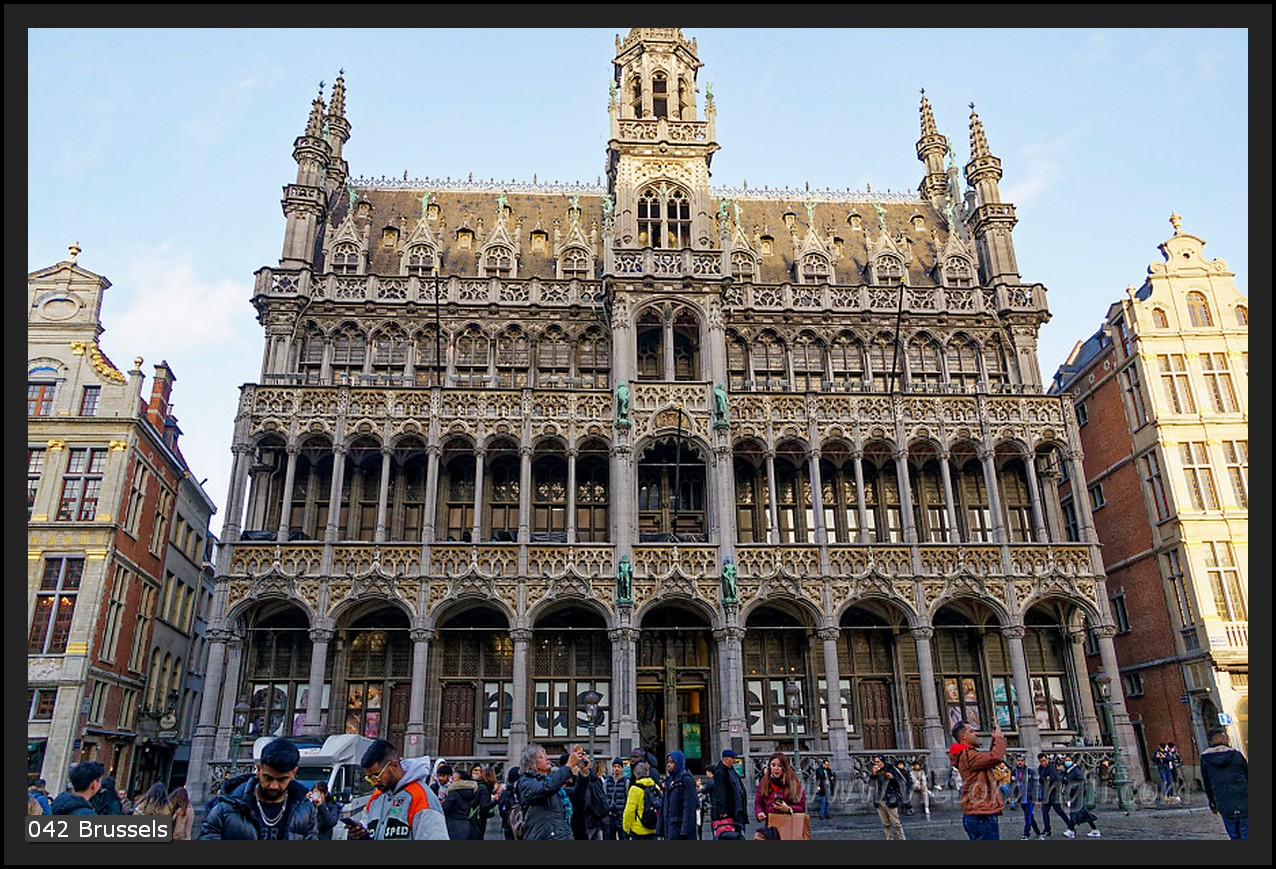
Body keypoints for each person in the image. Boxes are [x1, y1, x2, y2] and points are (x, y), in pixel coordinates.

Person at [199, 737, 319, 839]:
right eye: (268, 777)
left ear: (294, 773)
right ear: (259, 769)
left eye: (282, 779)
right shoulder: (227, 807)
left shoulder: (305, 810)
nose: (273, 786)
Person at [345, 739, 447, 840]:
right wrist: (360, 835)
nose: (374, 783)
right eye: (369, 778)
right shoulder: (376, 797)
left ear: (394, 765)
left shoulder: (421, 797)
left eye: (377, 776)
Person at [949, 720, 1006, 840]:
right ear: (963, 736)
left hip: (977, 813)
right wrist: (999, 739)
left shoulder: (966, 754)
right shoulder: (968, 755)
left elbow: (988, 760)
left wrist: (994, 741)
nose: (976, 734)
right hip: (981, 813)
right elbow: (995, 757)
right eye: (971, 731)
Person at [516, 743, 584, 840]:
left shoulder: (555, 786)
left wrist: (584, 773)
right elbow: (547, 788)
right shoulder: (526, 783)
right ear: (531, 764)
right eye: (541, 757)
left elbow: (577, 794)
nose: (548, 758)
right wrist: (569, 765)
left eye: (546, 755)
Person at [1200, 728, 1248, 840]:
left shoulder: (1205, 759)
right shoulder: (1235, 755)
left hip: (1223, 800)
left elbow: (1207, 784)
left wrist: (1212, 802)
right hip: (1244, 798)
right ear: (1221, 740)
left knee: (1234, 835)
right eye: (1226, 738)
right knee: (1246, 833)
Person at [754, 752, 806, 831]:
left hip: (789, 826)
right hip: (771, 826)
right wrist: (760, 812)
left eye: (780, 765)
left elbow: (801, 806)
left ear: (784, 767)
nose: (776, 768)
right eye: (773, 765)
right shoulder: (764, 782)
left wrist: (788, 809)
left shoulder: (793, 783)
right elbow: (758, 803)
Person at [658, 750, 697, 840]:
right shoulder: (669, 781)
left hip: (679, 829)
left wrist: (685, 831)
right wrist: (660, 827)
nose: (668, 765)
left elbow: (688, 807)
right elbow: (663, 806)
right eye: (668, 762)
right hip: (669, 827)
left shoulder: (686, 780)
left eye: (672, 762)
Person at [708, 749, 747, 839]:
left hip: (738, 809)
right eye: (732, 758)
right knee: (730, 834)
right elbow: (720, 792)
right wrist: (723, 810)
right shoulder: (720, 772)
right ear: (725, 759)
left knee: (740, 833)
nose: (734, 760)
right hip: (730, 810)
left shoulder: (731, 770)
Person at [1061, 754, 1100, 838]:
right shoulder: (1068, 771)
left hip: (1078, 793)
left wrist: (1072, 787)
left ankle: (1071, 830)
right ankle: (1094, 830)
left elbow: (1081, 781)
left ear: (1072, 761)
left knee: (1074, 812)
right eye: (1066, 761)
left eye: (1068, 760)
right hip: (1073, 794)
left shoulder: (1075, 770)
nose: (1067, 762)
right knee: (1083, 813)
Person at [869, 755, 906, 841]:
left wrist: (892, 778)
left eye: (878, 762)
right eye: (875, 762)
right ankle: (889, 838)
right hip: (879, 800)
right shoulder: (876, 772)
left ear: (882, 762)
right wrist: (873, 775)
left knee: (896, 823)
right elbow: (871, 784)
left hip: (890, 799)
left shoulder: (891, 770)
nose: (876, 764)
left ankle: (902, 838)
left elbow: (899, 783)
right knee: (885, 823)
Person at [622, 761, 660, 840]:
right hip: (653, 828)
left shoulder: (635, 789)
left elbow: (629, 811)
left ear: (636, 774)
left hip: (638, 830)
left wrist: (626, 828)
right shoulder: (655, 787)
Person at [443, 767, 483, 840]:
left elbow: (445, 809)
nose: (450, 781)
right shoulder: (471, 791)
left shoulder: (453, 792)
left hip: (453, 826)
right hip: (465, 825)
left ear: (460, 781)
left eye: (453, 779)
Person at [1037, 753, 1070, 838]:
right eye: (1041, 762)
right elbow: (1042, 780)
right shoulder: (1040, 768)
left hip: (1054, 792)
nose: (1043, 763)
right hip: (1046, 792)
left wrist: (1045, 780)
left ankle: (1070, 825)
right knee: (1044, 811)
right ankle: (1047, 829)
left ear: (1047, 759)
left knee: (1058, 810)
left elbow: (1053, 779)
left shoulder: (1051, 767)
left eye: (1044, 761)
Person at [1011, 754, 1041, 840]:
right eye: (1018, 760)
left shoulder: (1030, 771)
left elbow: (1036, 785)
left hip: (1030, 797)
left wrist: (1038, 798)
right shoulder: (1014, 772)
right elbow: (1012, 785)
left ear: (1025, 761)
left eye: (1022, 760)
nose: (1020, 762)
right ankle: (1038, 833)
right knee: (1030, 816)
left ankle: (1026, 834)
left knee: (1027, 816)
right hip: (1021, 797)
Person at [603, 757, 629, 839]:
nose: (616, 769)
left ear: (622, 768)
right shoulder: (607, 781)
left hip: (621, 815)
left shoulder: (626, 781)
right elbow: (604, 796)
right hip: (610, 815)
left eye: (618, 767)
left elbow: (627, 797)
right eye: (615, 766)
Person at [497, 767, 520, 839]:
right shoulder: (522, 789)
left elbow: (501, 809)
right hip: (521, 825)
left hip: (508, 824)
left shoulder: (505, 791)